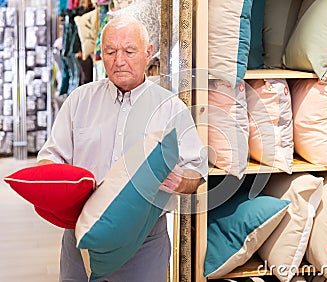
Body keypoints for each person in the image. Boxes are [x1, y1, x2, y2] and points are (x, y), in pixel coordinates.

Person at [37, 14, 208, 281]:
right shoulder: (79, 100)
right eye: (110, 52)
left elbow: (196, 172)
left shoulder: (170, 107)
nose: (119, 61)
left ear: (148, 52)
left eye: (129, 51)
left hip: (144, 242)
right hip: (81, 235)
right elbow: (50, 159)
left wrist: (179, 181)